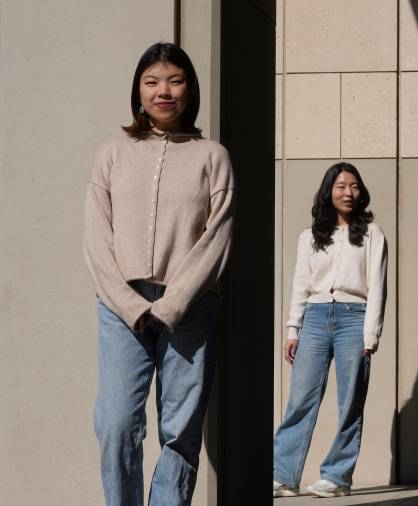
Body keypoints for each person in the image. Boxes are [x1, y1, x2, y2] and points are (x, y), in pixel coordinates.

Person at [83, 42, 233, 505]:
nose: (163, 91)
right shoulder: (112, 152)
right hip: (121, 307)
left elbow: (217, 238)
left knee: (180, 430)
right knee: (116, 423)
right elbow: (96, 239)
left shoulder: (212, 156)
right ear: (138, 91)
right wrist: (130, 305)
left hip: (189, 306)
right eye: (152, 82)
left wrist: (172, 304)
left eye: (175, 80)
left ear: (191, 89)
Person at [272, 162, 388, 498]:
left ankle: (337, 476)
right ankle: (283, 475)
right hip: (315, 316)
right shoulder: (309, 236)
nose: (348, 193)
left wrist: (371, 334)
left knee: (351, 400)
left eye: (353, 186)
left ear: (361, 192)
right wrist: (292, 329)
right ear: (329, 191)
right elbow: (300, 285)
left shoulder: (372, 233)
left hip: (355, 316)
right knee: (300, 400)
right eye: (340, 186)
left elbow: (378, 286)